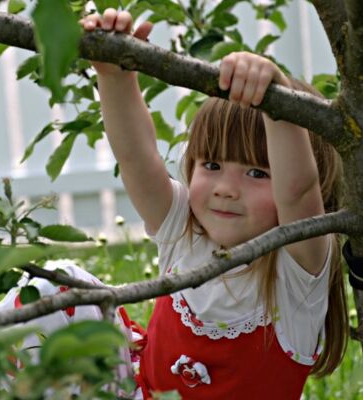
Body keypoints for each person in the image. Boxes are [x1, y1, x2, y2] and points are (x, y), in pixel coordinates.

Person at [77, 9, 348, 399]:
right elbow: (136, 158)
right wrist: (114, 76)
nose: (225, 188)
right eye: (212, 164)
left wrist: (277, 99)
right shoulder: (184, 232)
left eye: (257, 173)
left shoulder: (296, 277)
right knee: (57, 292)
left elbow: (298, 193)